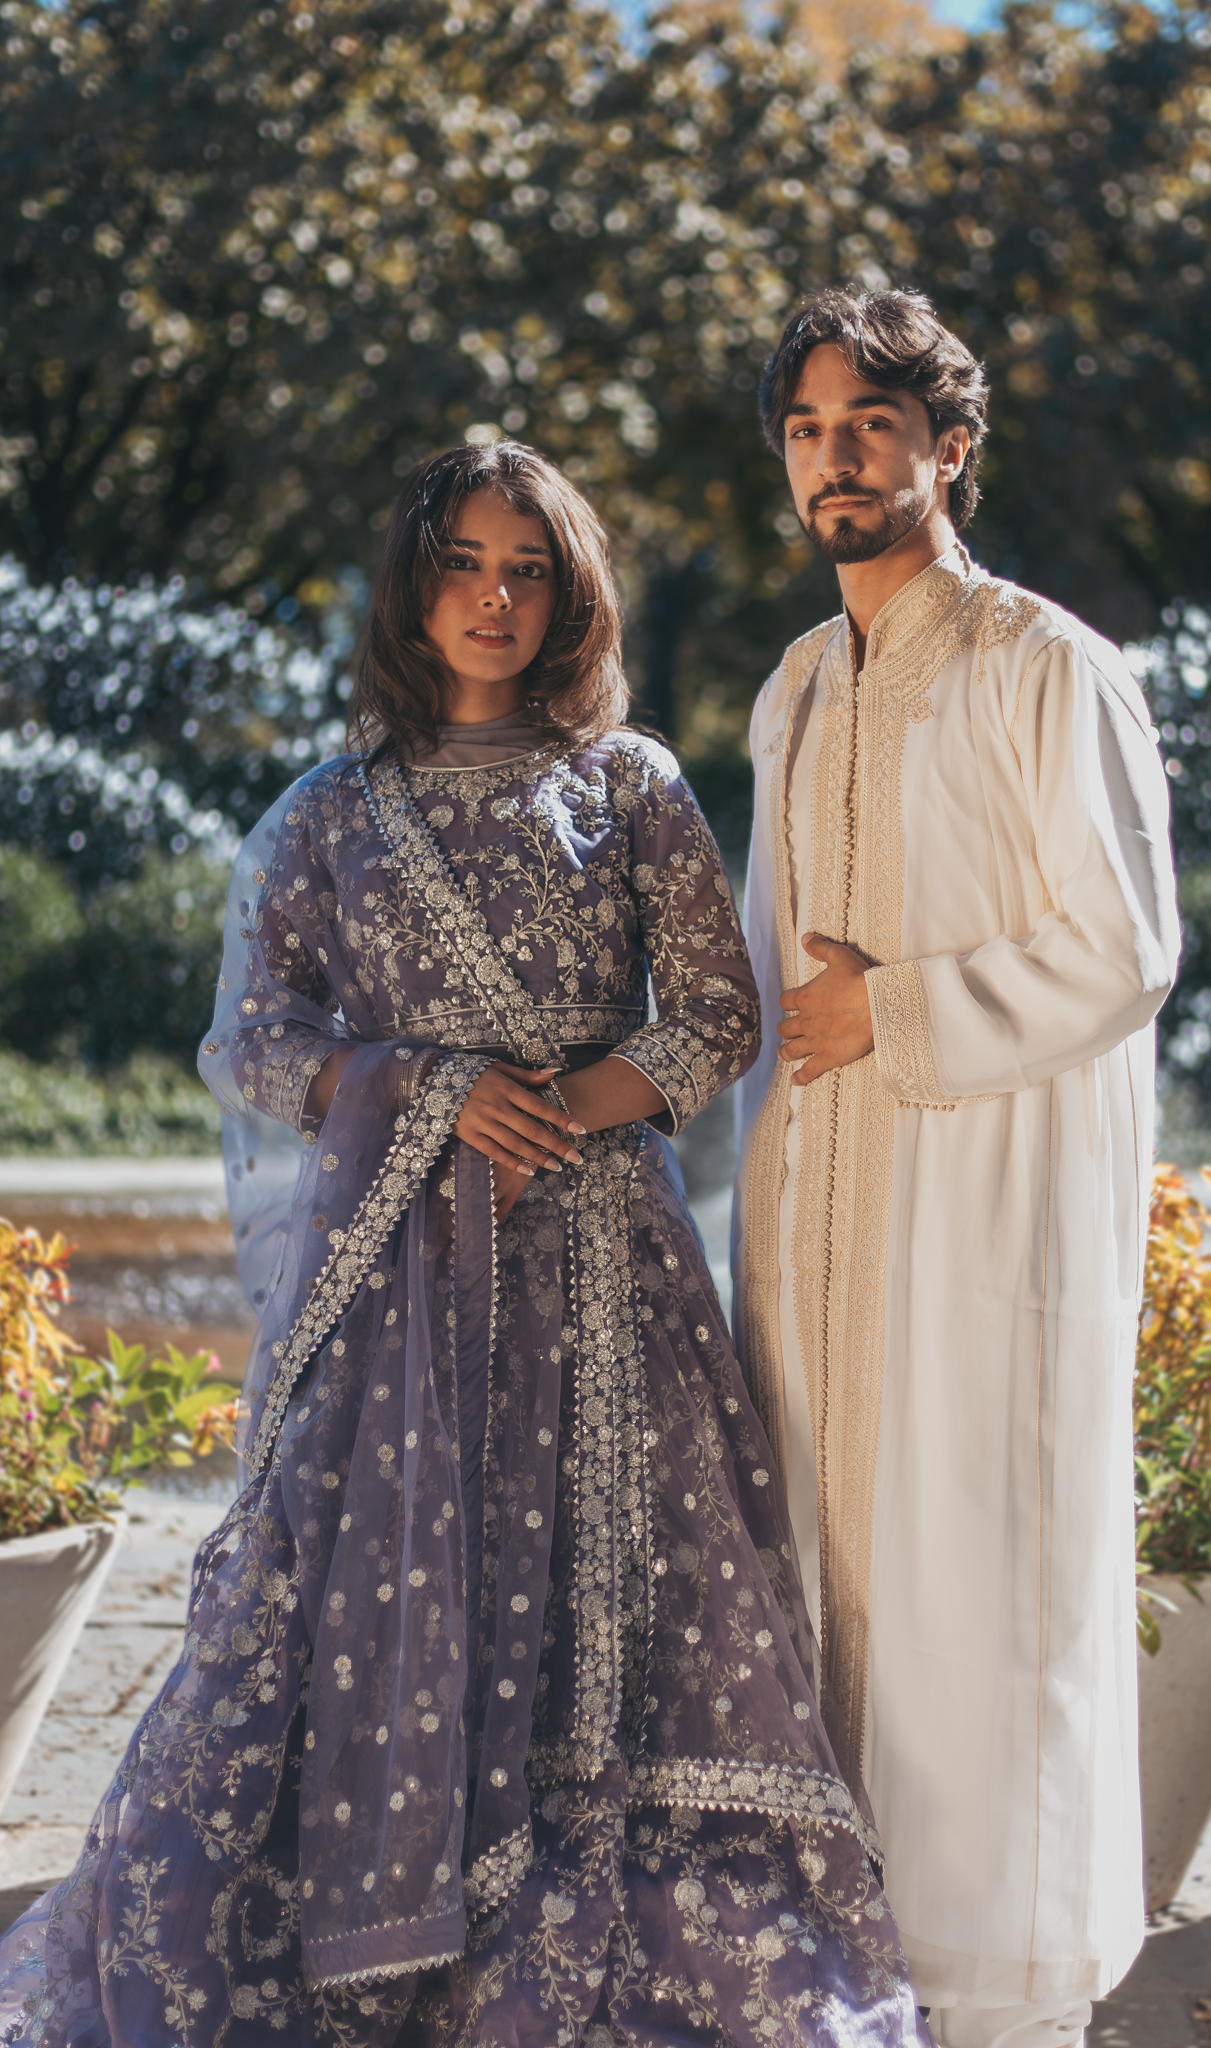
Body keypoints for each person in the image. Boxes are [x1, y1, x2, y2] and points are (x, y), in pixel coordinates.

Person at [0, 443, 929, 2048]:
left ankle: (597, 1935)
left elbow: (715, 1017)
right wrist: (421, 1094)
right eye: (466, 564)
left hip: (608, 1279)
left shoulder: (629, 784)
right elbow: (253, 1043)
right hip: (396, 1287)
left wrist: (552, 1111)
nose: (496, 599)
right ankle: (371, 1931)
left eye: (529, 571)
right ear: (413, 586)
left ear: (569, 598)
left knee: (627, 1602)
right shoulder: (328, 817)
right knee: (325, 1597)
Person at [732, 289, 1181, 2048]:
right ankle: (841, 1992)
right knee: (823, 1598)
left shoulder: (1044, 666)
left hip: (976, 1228)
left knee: (970, 1609)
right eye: (808, 429)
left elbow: (1123, 944)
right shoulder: (790, 685)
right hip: (816, 1218)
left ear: (948, 449)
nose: (838, 458)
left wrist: (895, 1017)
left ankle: (994, 2007)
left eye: (871, 424)